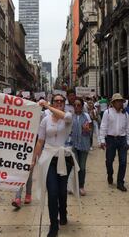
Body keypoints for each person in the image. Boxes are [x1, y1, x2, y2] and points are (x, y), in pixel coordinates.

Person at [32, 94, 78, 237]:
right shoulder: (45, 120)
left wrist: (47, 106)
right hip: (48, 160)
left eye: (61, 101)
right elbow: (40, 141)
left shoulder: (68, 116)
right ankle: (54, 225)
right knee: (52, 192)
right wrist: (34, 160)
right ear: (53, 102)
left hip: (64, 159)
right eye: (56, 101)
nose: (59, 103)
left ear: (64, 104)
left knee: (62, 191)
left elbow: (65, 117)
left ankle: (63, 212)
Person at [99, 93, 129, 192]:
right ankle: (110, 174)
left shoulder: (125, 114)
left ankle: (120, 182)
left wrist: (128, 141)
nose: (120, 103)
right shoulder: (107, 113)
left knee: (123, 162)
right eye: (117, 101)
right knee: (109, 161)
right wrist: (102, 140)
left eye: (121, 101)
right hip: (111, 139)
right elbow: (103, 126)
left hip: (122, 140)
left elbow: (128, 128)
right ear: (113, 103)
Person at [70, 98, 92, 196]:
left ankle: (81, 186)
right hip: (73, 145)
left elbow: (91, 130)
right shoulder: (70, 117)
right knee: (75, 166)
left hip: (84, 144)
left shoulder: (86, 116)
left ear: (82, 106)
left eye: (79, 105)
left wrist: (88, 129)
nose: (76, 107)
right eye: (75, 105)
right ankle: (73, 186)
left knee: (82, 167)